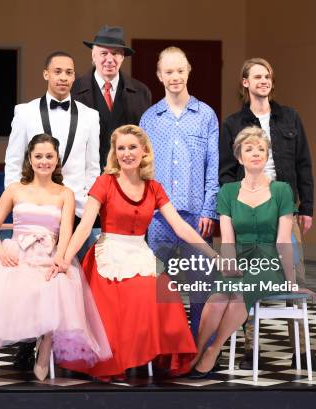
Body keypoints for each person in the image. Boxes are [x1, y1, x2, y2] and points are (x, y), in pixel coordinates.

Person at [0, 134, 111, 383]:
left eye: (49, 156)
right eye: (38, 156)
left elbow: (67, 233)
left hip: (49, 256)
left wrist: (59, 260)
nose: (43, 161)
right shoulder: (15, 189)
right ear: (30, 158)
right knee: (8, 291)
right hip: (18, 253)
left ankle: (46, 347)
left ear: (57, 160)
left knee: (58, 289)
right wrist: (2, 252)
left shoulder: (65, 193)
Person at [55, 124, 219, 380]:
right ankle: (119, 359)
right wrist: (65, 260)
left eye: (132, 147)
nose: (127, 153)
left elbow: (180, 227)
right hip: (108, 254)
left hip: (140, 253)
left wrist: (214, 256)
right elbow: (85, 226)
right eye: (121, 148)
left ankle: (147, 356)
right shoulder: (104, 182)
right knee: (123, 297)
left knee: (164, 293)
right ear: (114, 153)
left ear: (144, 151)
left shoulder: (154, 188)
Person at [218, 58, 316, 371]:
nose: (263, 81)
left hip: (284, 205)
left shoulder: (289, 118)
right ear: (245, 83)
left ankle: (301, 351)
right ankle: (249, 349)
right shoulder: (232, 123)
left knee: (294, 275)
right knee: (249, 277)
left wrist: (306, 207)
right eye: (257, 76)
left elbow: (303, 163)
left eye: (267, 76)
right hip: (249, 207)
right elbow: (226, 172)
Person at [189, 127, 316, 379]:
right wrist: (230, 266)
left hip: (270, 263)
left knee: (238, 293)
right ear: (239, 157)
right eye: (249, 149)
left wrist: (291, 282)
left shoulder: (282, 191)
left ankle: (214, 350)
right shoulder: (228, 192)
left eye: (261, 149)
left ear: (267, 155)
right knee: (217, 298)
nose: (256, 153)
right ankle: (195, 352)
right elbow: (227, 239)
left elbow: (283, 241)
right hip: (239, 258)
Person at [3, 51, 101, 369]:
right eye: (57, 71)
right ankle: (23, 346)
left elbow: (92, 167)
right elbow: (14, 160)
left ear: (75, 77)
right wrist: (18, 202)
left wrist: (86, 211)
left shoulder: (90, 115)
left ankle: (65, 351)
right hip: (34, 209)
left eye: (69, 72)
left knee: (67, 284)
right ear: (46, 74)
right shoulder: (25, 111)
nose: (63, 77)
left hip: (74, 209)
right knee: (27, 284)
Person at [140, 47, 219, 339]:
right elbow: (142, 170)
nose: (175, 77)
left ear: (188, 72)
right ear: (160, 75)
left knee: (201, 287)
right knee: (159, 288)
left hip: (197, 217)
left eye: (180, 70)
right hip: (159, 219)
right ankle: (162, 351)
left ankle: (202, 350)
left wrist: (209, 210)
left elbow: (213, 167)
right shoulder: (149, 119)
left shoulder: (206, 116)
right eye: (169, 71)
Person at [73, 25, 151, 169]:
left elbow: (145, 140)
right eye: (103, 53)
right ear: (93, 55)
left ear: (122, 57)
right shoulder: (73, 90)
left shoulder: (141, 92)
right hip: (86, 177)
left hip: (128, 177)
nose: (109, 59)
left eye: (115, 53)